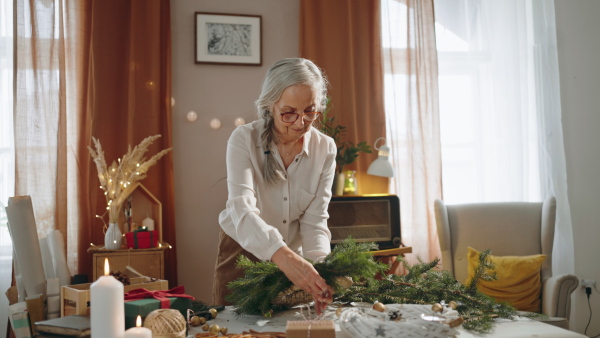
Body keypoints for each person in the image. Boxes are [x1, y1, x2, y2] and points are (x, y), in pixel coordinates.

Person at [213, 58, 337, 314]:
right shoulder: (243, 139)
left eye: (310, 111)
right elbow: (242, 210)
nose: (300, 122)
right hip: (242, 253)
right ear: (270, 105)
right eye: (289, 112)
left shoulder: (325, 149)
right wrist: (283, 256)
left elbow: (315, 221)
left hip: (295, 261)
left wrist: (320, 272)